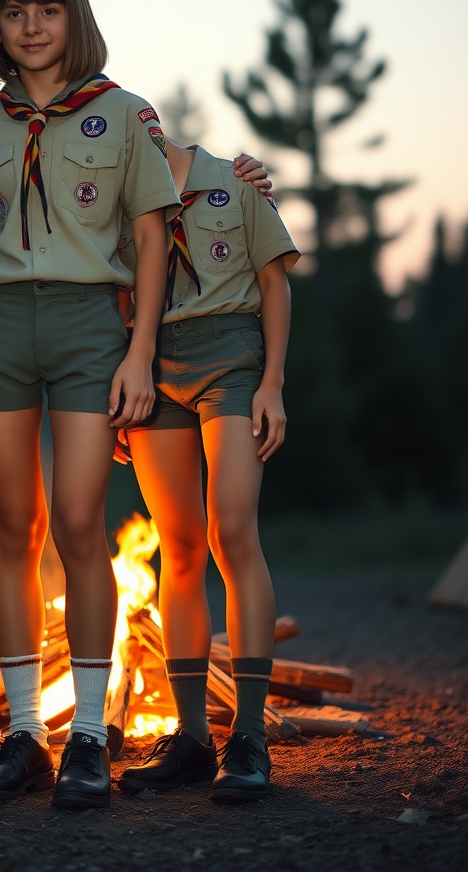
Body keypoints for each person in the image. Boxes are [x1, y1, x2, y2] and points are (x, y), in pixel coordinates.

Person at [0, 0, 185, 810]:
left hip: (95, 324)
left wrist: (141, 352)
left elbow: (156, 238)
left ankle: (89, 732)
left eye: (47, 10)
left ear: (73, 17)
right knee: (14, 525)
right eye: (14, 13)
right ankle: (25, 735)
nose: (31, 27)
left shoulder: (123, 113)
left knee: (82, 522)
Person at [116, 136, 299, 803]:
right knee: (180, 548)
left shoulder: (236, 183)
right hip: (155, 364)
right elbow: (116, 295)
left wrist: (272, 383)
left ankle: (248, 736)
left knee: (232, 533)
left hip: (231, 357)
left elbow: (274, 281)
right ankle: (192, 739)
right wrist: (125, 381)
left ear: (158, 134)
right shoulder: (122, 198)